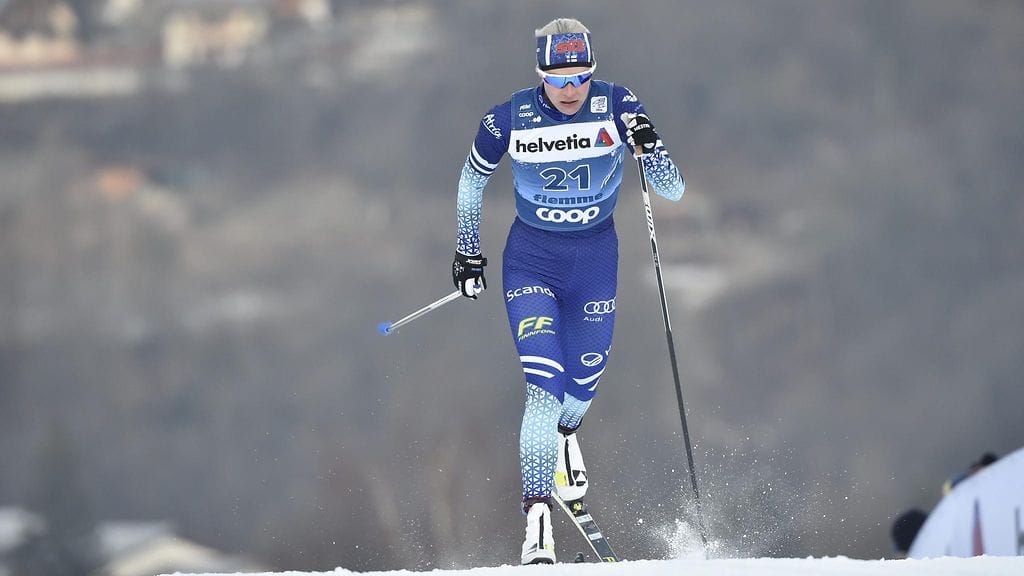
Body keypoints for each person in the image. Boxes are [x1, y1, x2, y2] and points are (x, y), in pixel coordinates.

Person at [449, 17, 685, 564]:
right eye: (559, 80)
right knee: (543, 388)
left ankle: (566, 433)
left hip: (596, 263)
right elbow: (471, 180)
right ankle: (537, 522)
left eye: (581, 77)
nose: (572, 90)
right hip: (532, 263)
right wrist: (467, 250)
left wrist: (651, 148)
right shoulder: (507, 117)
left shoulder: (618, 104)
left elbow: (673, 191)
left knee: (581, 386)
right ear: (541, 76)